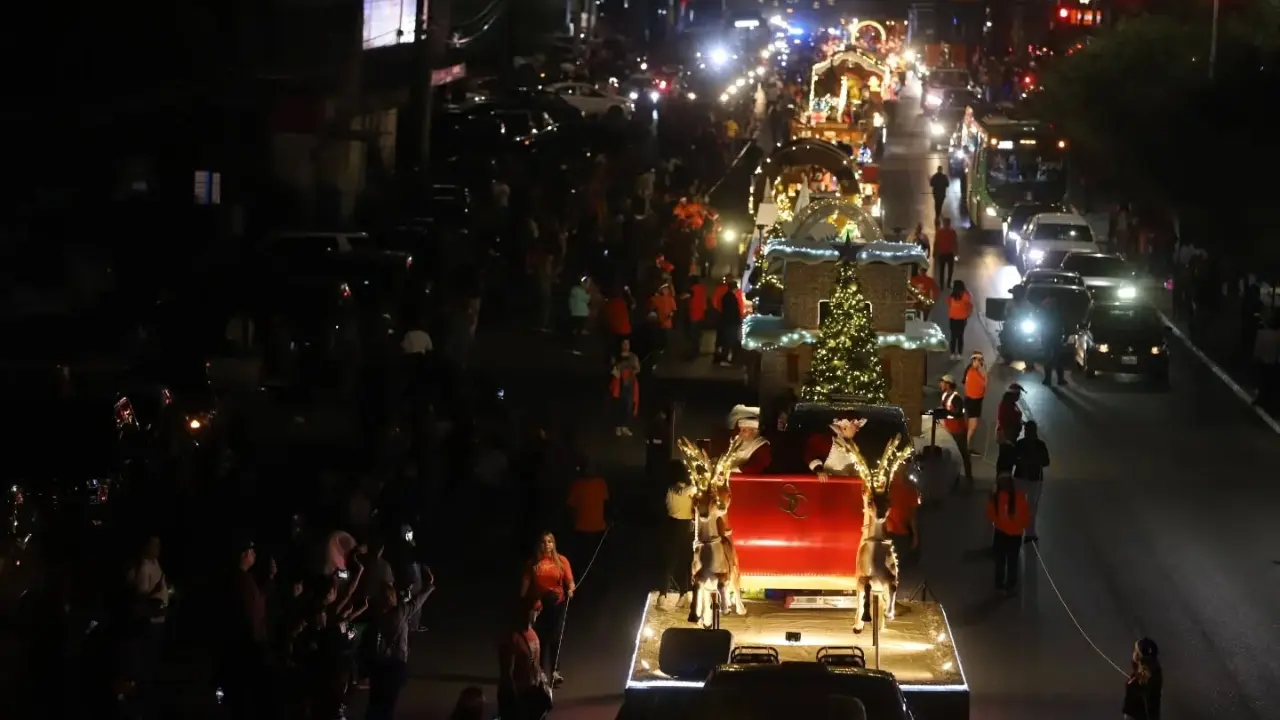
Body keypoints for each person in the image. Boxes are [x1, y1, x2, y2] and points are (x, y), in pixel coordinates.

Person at [367, 575, 435, 720]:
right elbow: (417, 602)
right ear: (391, 598)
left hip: (377, 665)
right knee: (388, 705)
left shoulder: (373, 616)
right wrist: (429, 585)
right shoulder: (399, 612)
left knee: (375, 704)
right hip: (394, 664)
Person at [519, 533, 575, 687]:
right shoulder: (533, 563)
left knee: (556, 636)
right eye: (543, 542)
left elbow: (570, 582)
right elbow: (525, 584)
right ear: (539, 545)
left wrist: (570, 589)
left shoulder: (561, 561)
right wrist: (522, 601)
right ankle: (541, 670)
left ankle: (555, 671)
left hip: (557, 604)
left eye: (550, 542)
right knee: (542, 638)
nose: (547, 545)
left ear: (554, 544)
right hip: (539, 605)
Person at [498, 600, 550, 720]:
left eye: (539, 609)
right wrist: (514, 702)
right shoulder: (512, 638)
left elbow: (536, 664)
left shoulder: (533, 634)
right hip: (520, 698)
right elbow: (507, 673)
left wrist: (543, 680)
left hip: (531, 695)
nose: (539, 611)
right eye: (535, 609)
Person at [986, 473, 1031, 596]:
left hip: (1000, 534)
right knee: (1013, 561)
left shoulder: (996, 498)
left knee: (1000, 561)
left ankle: (999, 585)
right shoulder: (1020, 498)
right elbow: (1026, 519)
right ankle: (1010, 586)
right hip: (1015, 536)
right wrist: (1016, 525)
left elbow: (991, 516)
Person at [662, 465, 696, 602]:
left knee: (670, 560)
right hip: (684, 527)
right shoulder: (689, 490)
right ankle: (684, 592)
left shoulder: (669, 489)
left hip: (671, 525)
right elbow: (688, 491)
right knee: (684, 560)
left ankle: (663, 592)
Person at [1012, 421, 1050, 541]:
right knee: (1032, 507)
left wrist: (1022, 461)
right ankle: (1029, 533)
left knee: (1021, 505)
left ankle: (1018, 531)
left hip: (1021, 477)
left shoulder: (1019, 444)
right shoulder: (1040, 445)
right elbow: (1046, 462)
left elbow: (1012, 459)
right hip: (1035, 478)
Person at [565, 468, 609, 565]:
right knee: (595, 554)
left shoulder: (577, 485)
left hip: (580, 527)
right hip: (598, 526)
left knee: (582, 555)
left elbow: (571, 507)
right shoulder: (601, 484)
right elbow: (606, 504)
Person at [939, 375, 974, 491]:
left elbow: (958, 413)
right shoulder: (944, 395)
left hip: (958, 431)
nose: (940, 384)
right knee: (952, 455)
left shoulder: (956, 398)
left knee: (962, 454)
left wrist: (945, 413)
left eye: (943, 382)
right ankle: (955, 478)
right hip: (949, 430)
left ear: (948, 384)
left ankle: (968, 477)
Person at [883, 473, 921, 567]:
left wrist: (915, 535)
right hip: (894, 532)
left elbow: (913, 514)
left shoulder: (889, 486)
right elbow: (913, 514)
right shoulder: (908, 487)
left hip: (898, 533)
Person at [1123, 637, 1163, 720]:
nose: (1133, 653)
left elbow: (1148, 704)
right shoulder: (1152, 671)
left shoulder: (1144, 678)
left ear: (1139, 656)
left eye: (1135, 650)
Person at [724, 405, 773, 473]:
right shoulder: (737, 441)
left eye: (744, 430)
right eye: (740, 430)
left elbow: (756, 466)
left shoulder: (762, 445)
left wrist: (735, 470)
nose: (740, 433)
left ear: (754, 432)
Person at [610, 339, 641, 436]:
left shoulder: (633, 356)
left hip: (630, 382)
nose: (626, 345)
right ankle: (618, 426)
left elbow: (638, 368)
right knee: (619, 404)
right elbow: (612, 368)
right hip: (620, 382)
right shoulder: (616, 357)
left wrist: (633, 371)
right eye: (624, 343)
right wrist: (616, 373)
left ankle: (625, 426)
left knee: (629, 405)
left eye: (627, 343)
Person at [994, 384, 1025, 474]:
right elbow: (1004, 421)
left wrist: (1021, 422)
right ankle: (1002, 480)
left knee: (1007, 459)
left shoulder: (1011, 404)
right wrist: (1008, 439)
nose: (1019, 396)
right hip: (1007, 438)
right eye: (1018, 394)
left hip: (1011, 436)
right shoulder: (1006, 406)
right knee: (1006, 459)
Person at [1039, 296, 1068, 386]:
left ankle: (1052, 379)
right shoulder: (1053, 313)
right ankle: (1055, 379)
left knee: (1054, 358)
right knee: (1055, 358)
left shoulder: (1052, 313)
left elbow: (1062, 325)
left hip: (1052, 338)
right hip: (1052, 338)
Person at [961, 352, 987, 447]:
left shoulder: (972, 370)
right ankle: (966, 445)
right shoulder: (973, 373)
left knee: (971, 424)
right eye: (979, 360)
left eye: (982, 360)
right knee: (973, 425)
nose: (981, 362)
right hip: (974, 401)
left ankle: (966, 443)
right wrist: (985, 371)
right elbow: (984, 384)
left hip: (972, 400)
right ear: (974, 360)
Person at [946, 280, 973, 360]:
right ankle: (959, 353)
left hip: (952, 318)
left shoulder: (952, 295)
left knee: (953, 336)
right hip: (962, 318)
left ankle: (952, 353)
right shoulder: (966, 295)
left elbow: (949, 303)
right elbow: (969, 305)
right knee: (960, 336)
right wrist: (968, 313)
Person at [567, 277, 591, 355]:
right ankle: (575, 347)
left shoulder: (574, 290)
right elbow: (587, 299)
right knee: (578, 331)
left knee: (574, 330)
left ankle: (571, 346)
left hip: (574, 312)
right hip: (581, 313)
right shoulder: (583, 292)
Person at [934, 217, 958, 288]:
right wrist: (956, 253)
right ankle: (947, 284)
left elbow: (936, 243)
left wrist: (935, 252)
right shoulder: (951, 231)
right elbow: (955, 243)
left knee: (943, 270)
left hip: (944, 253)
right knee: (947, 270)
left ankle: (943, 284)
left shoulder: (940, 231)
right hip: (947, 253)